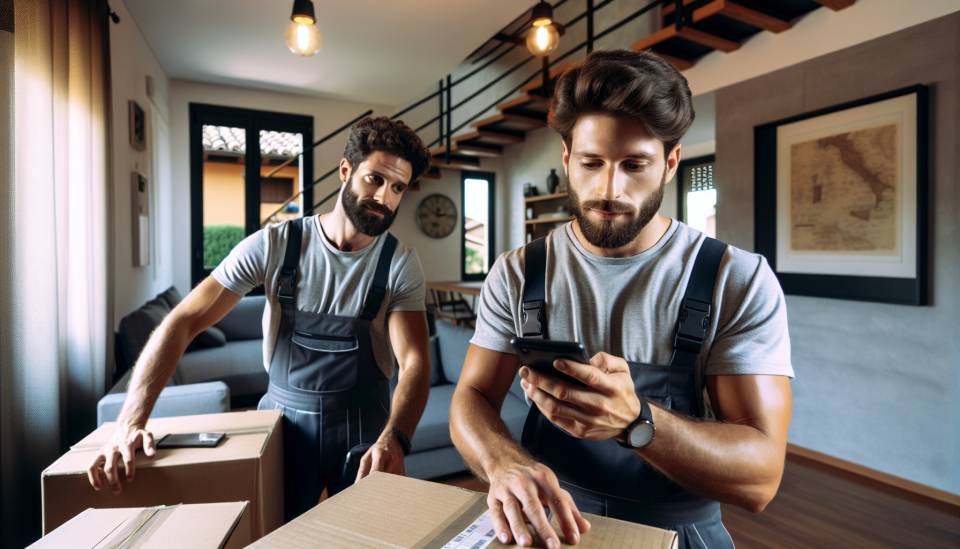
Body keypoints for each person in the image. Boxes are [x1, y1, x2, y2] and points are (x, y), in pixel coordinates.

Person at [450, 50, 793, 549]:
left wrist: (638, 422)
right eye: (591, 163)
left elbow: (761, 479)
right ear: (567, 159)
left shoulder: (735, 278)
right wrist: (502, 461)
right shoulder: (518, 272)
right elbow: (472, 397)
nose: (609, 189)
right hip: (549, 525)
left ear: (671, 163)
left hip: (678, 534)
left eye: (635, 165)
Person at [88, 116, 435, 521]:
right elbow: (182, 320)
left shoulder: (400, 264)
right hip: (282, 430)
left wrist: (396, 439)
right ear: (346, 171)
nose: (384, 198)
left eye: (397, 188)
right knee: (272, 536)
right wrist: (129, 422)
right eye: (375, 179)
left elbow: (414, 362)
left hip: (367, 436)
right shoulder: (275, 245)